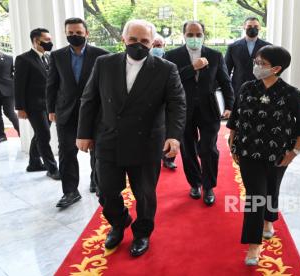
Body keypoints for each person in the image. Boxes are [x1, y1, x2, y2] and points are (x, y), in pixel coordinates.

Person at [76, 19, 186, 257]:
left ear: (152, 42)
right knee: (105, 191)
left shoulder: (166, 68)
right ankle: (119, 222)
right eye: (133, 40)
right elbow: (89, 99)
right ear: (123, 39)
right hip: (108, 139)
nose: (138, 44)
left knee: (145, 194)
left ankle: (142, 233)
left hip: (146, 142)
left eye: (144, 41)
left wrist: (174, 136)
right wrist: (83, 133)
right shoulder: (104, 63)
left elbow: (177, 104)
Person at [227, 45, 300, 265]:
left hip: (278, 154)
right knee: (255, 195)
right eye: (256, 61)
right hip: (247, 151)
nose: (256, 66)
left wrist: (293, 152)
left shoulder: (291, 94)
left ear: (276, 68)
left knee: (272, 188)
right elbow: (236, 116)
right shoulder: (247, 87)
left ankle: (269, 219)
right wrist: (233, 141)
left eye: (261, 63)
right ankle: (254, 244)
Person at [164, 21, 234, 206]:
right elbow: (167, 81)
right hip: (182, 110)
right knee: (187, 149)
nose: (194, 37)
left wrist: (230, 105)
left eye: (198, 33)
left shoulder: (215, 55)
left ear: (204, 34)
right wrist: (192, 68)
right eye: (190, 34)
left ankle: (208, 185)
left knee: (208, 148)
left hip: (208, 109)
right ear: (184, 34)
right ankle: (194, 183)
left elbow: (226, 82)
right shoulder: (171, 55)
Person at [46, 17, 109, 207]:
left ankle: (96, 183)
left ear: (86, 33)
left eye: (79, 33)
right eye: (71, 33)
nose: (75, 36)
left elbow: (107, 87)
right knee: (66, 153)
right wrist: (51, 110)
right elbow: (52, 84)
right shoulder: (56, 56)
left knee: (97, 152)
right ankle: (70, 192)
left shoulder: (102, 55)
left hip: (95, 113)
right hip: (66, 112)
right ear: (66, 34)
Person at [14, 28, 60, 180]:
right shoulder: (23, 59)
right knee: (44, 135)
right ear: (35, 41)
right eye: (46, 40)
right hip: (33, 105)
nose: (50, 43)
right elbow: (19, 85)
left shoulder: (48, 57)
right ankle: (52, 168)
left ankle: (34, 163)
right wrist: (20, 108)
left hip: (48, 105)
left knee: (40, 134)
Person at [225, 17, 271, 96]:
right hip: (238, 89)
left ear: (259, 28)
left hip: (261, 88)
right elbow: (226, 70)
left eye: (256, 26)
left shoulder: (268, 47)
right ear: (244, 27)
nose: (253, 29)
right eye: (249, 26)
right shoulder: (233, 47)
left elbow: (271, 69)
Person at [151, 34, 177, 170]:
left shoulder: (171, 59)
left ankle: (168, 159)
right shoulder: (144, 59)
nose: (156, 48)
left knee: (169, 129)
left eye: (159, 46)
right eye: (154, 45)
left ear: (164, 46)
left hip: (168, 101)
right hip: (149, 102)